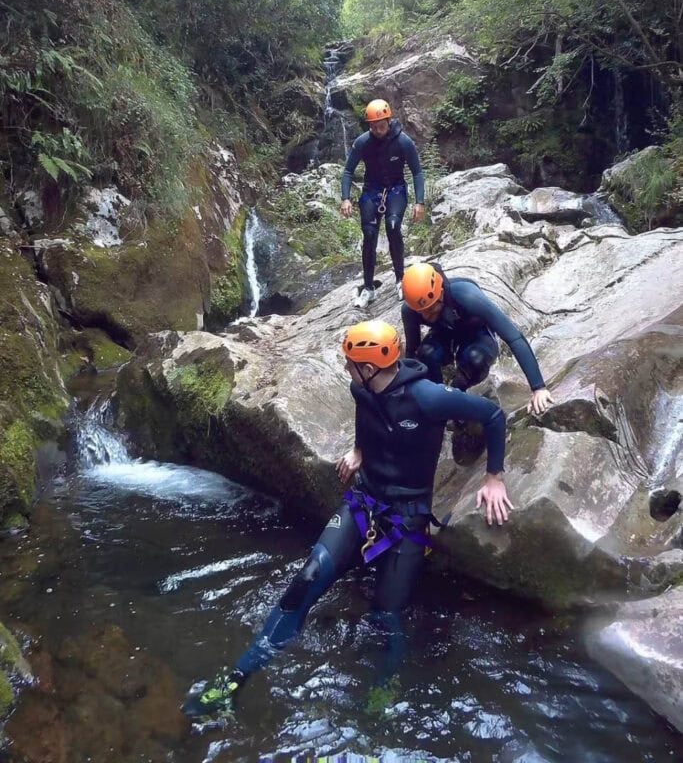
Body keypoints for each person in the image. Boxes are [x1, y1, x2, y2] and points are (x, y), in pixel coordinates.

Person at [182, 319, 512, 723]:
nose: (345, 369)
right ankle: (239, 675)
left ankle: (380, 705)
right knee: (308, 576)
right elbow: (368, 417)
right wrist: (358, 451)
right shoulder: (362, 388)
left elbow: (493, 416)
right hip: (363, 504)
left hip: (408, 519)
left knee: (385, 619)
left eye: (350, 362)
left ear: (369, 368)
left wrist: (494, 477)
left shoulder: (427, 398)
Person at [401, 262, 554, 463]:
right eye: (421, 312)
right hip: (444, 334)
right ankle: (441, 404)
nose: (425, 316)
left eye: (430, 309)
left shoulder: (466, 295)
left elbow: (513, 337)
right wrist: (408, 399)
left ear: (440, 293)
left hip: (477, 334)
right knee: (426, 354)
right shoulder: (411, 309)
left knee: (475, 359)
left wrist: (538, 387)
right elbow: (412, 354)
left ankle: (458, 393)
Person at [341, 99, 425, 308]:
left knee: (393, 227)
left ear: (388, 121)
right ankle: (369, 288)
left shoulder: (403, 142)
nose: (378, 130)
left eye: (381, 125)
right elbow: (348, 171)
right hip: (371, 191)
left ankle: (400, 279)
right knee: (369, 235)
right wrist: (345, 198)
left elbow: (417, 172)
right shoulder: (362, 142)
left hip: (396, 189)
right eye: (373, 126)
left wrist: (419, 202)